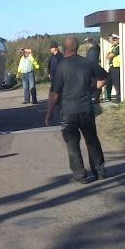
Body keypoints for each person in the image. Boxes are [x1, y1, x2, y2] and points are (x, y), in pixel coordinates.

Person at [45, 36, 109, 184]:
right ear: (78, 47)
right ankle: (100, 171)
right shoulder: (87, 63)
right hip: (86, 109)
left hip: (68, 111)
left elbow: (54, 93)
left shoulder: (61, 67)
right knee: (92, 140)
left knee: (72, 143)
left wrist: (49, 113)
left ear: (64, 48)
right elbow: (104, 77)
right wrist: (93, 88)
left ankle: (80, 175)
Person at [85, 37, 103, 103]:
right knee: (92, 83)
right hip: (91, 68)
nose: (87, 44)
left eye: (88, 42)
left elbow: (92, 59)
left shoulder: (94, 49)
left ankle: (96, 97)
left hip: (92, 68)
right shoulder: (92, 49)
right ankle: (94, 97)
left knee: (94, 83)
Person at [105, 34, 121, 102]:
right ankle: (108, 97)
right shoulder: (113, 47)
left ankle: (118, 98)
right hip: (111, 67)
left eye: (115, 39)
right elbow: (107, 56)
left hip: (116, 67)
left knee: (117, 83)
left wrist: (109, 55)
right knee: (108, 82)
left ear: (118, 39)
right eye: (112, 39)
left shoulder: (118, 47)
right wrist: (109, 55)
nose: (113, 41)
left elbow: (110, 56)